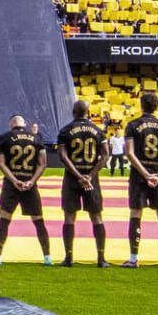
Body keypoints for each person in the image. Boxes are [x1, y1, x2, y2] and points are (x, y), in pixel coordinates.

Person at [122, 92, 158, 268]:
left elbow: (130, 153)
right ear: (157, 106)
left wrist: (146, 174)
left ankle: (133, 258)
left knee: (136, 214)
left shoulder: (132, 125)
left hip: (139, 176)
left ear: (141, 105)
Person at [55, 100, 109, 267]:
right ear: (88, 112)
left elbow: (63, 156)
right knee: (96, 216)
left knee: (69, 216)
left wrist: (78, 175)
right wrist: (90, 176)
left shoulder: (65, 131)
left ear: (73, 112)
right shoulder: (98, 131)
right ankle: (101, 258)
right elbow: (105, 155)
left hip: (72, 178)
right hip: (92, 178)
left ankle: (68, 257)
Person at [0, 116, 50, 265]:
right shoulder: (36, 138)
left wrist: (14, 180)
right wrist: (31, 181)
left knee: (4, 220)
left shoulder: (4, 137)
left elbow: (0, 163)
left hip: (11, 184)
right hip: (30, 184)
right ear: (24, 124)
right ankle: (47, 258)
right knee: (38, 221)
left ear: (11, 124)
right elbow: (43, 164)